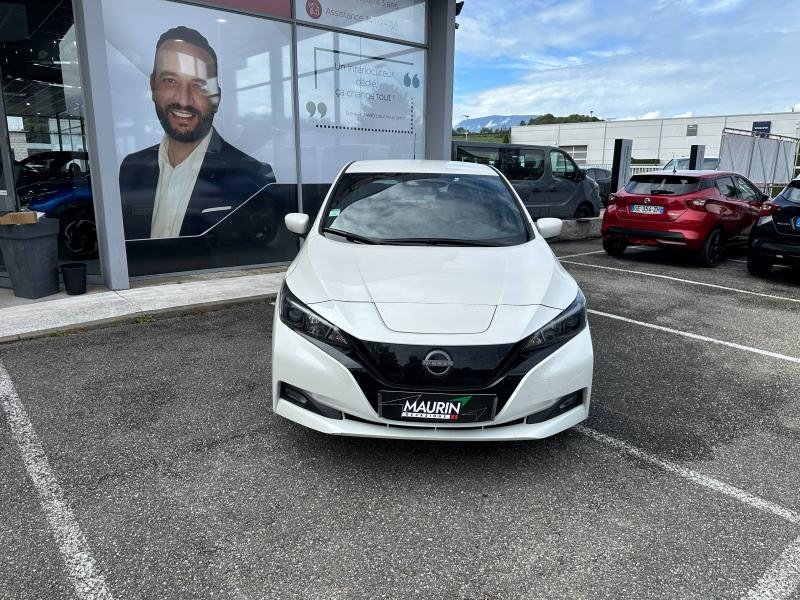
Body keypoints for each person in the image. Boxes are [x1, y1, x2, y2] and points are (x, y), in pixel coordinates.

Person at [119, 26, 275, 240]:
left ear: (216, 98)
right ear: (153, 85)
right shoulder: (131, 169)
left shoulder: (254, 176)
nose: (183, 100)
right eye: (170, 81)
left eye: (199, 86)